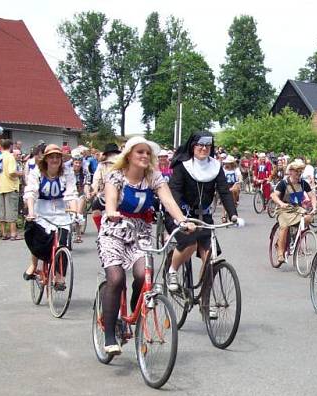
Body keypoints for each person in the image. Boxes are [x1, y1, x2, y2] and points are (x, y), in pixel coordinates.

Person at [97, 136, 193, 355]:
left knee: (143, 275)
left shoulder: (154, 178)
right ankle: (110, 334)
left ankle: (133, 312)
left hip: (140, 232)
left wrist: (182, 221)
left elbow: (169, 202)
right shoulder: (116, 176)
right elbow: (111, 198)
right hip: (114, 231)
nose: (144, 156)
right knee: (116, 277)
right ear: (129, 155)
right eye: (140, 152)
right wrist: (111, 211)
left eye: (148, 153)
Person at [166, 131, 239, 313]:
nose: (204, 148)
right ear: (193, 146)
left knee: (210, 258)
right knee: (189, 244)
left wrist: (233, 215)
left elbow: (224, 191)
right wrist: (180, 218)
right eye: (200, 145)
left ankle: (205, 302)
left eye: (207, 145)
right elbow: (174, 192)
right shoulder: (183, 166)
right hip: (180, 214)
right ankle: (172, 271)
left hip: (203, 217)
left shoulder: (215, 166)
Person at [22, 144, 77, 284]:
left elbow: (71, 193)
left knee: (62, 243)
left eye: (58, 157)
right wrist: (31, 212)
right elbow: (31, 192)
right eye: (51, 157)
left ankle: (60, 276)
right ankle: (34, 265)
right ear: (46, 159)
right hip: (41, 209)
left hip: (60, 210)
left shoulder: (67, 172)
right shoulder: (37, 172)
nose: (55, 160)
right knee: (37, 239)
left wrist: (75, 211)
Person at [271, 159, 316, 266]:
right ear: (290, 172)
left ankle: (296, 235)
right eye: (296, 171)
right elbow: (273, 195)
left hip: (297, 208)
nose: (298, 174)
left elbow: (312, 196)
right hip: (284, 209)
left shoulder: (304, 184)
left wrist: (314, 207)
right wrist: (281, 203)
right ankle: (280, 252)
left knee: (309, 218)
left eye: (300, 171)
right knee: (284, 226)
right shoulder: (283, 183)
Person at [90, 143, 120, 231]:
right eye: (110, 154)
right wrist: (95, 189)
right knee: (95, 207)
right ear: (106, 155)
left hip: (120, 196)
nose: (112, 156)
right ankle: (100, 231)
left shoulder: (122, 166)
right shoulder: (101, 166)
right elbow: (96, 179)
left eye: (114, 154)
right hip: (104, 195)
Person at [0, 139, 21, 240]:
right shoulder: (10, 157)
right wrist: (21, 173)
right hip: (11, 186)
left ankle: (3, 233)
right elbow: (12, 172)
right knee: (12, 211)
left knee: (2, 212)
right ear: (10, 146)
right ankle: (13, 233)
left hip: (1, 186)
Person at [71, 155, 89, 243]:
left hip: (80, 194)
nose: (78, 165)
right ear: (73, 163)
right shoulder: (68, 172)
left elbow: (86, 185)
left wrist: (87, 193)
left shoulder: (85, 172)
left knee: (78, 214)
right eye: (76, 163)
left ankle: (78, 235)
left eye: (79, 163)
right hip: (69, 195)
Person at [221, 155, 241, 222]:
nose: (227, 164)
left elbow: (239, 176)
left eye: (229, 163)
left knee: (234, 191)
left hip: (234, 184)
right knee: (225, 200)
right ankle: (223, 216)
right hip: (226, 185)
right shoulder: (223, 169)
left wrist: (239, 181)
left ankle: (234, 206)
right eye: (226, 163)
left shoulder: (236, 169)